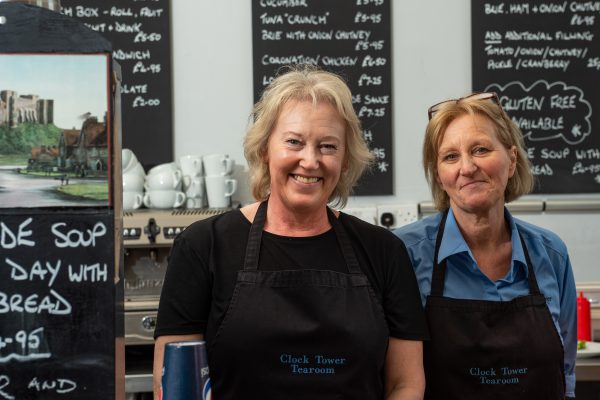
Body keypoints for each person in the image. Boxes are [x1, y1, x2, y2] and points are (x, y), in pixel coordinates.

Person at [153, 65, 428, 400]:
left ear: (344, 160)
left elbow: (406, 384)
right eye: (294, 142)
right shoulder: (203, 246)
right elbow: (177, 388)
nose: (310, 161)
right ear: (265, 149)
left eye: (328, 146)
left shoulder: (384, 251)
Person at [394, 92, 577, 400]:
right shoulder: (405, 254)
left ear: (512, 159)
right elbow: (394, 379)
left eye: (480, 149)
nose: (467, 167)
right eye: (450, 157)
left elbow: (566, 372)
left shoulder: (551, 253)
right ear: (439, 176)